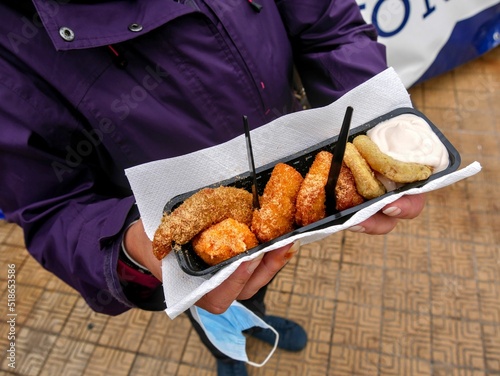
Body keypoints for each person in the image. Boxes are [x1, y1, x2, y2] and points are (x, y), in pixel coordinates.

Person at [0, 0, 426, 374]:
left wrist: (381, 125)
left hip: (275, 187)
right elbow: (50, 204)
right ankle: (226, 351)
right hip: (185, 239)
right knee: (213, 297)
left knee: (264, 272)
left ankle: (259, 316)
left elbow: (328, 24)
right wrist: (131, 248)